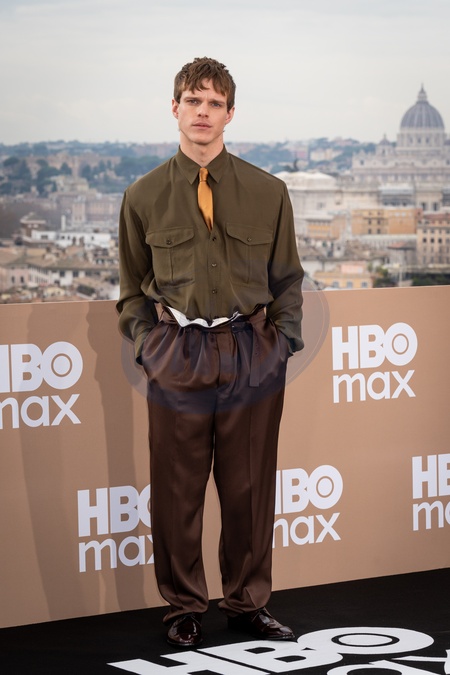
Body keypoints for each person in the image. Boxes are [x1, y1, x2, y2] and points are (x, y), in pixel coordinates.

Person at [117, 56, 304, 648]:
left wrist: (282, 344)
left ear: (230, 113)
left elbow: (288, 280)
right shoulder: (142, 195)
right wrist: (150, 347)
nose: (203, 112)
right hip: (178, 353)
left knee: (250, 489)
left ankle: (248, 604)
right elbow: (131, 291)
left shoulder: (269, 192)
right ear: (175, 108)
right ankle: (183, 608)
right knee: (177, 492)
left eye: (214, 103)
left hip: (252, 351)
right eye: (193, 101)